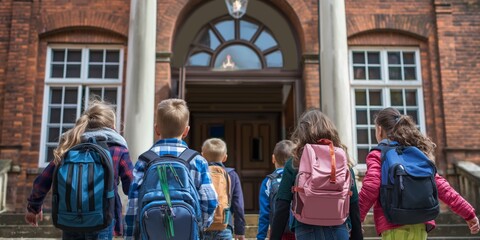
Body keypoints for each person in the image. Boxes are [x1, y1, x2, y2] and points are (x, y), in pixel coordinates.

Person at [359, 107, 480, 239]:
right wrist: (469, 213)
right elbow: (444, 188)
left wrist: (356, 217)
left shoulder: (378, 154)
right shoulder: (417, 153)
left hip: (393, 224)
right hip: (421, 224)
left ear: (379, 129)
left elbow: (371, 187)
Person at [25, 99, 134, 239]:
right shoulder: (118, 149)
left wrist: (33, 208)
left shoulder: (69, 146)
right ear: (112, 126)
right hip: (102, 220)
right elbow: (131, 185)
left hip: (69, 219)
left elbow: (42, 180)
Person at [123, 98, 218, 239]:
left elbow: (133, 202)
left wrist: (130, 235)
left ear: (156, 129)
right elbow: (210, 200)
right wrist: (198, 226)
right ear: (186, 131)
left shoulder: (145, 160)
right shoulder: (197, 160)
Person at [269, 109, 363, 240]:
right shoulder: (342, 161)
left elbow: (282, 206)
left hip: (306, 228)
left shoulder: (295, 162)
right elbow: (354, 205)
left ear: (301, 133)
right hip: (339, 227)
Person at [202, 138, 246, 240]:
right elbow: (238, 205)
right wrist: (240, 231)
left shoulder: (200, 173)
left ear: (202, 156)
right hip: (225, 226)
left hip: (203, 227)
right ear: (225, 157)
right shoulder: (231, 175)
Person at [257, 140, 296, 240]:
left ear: (273, 158)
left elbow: (264, 214)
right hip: (299, 231)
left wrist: (261, 237)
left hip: (279, 232)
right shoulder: (299, 178)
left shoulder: (268, 182)